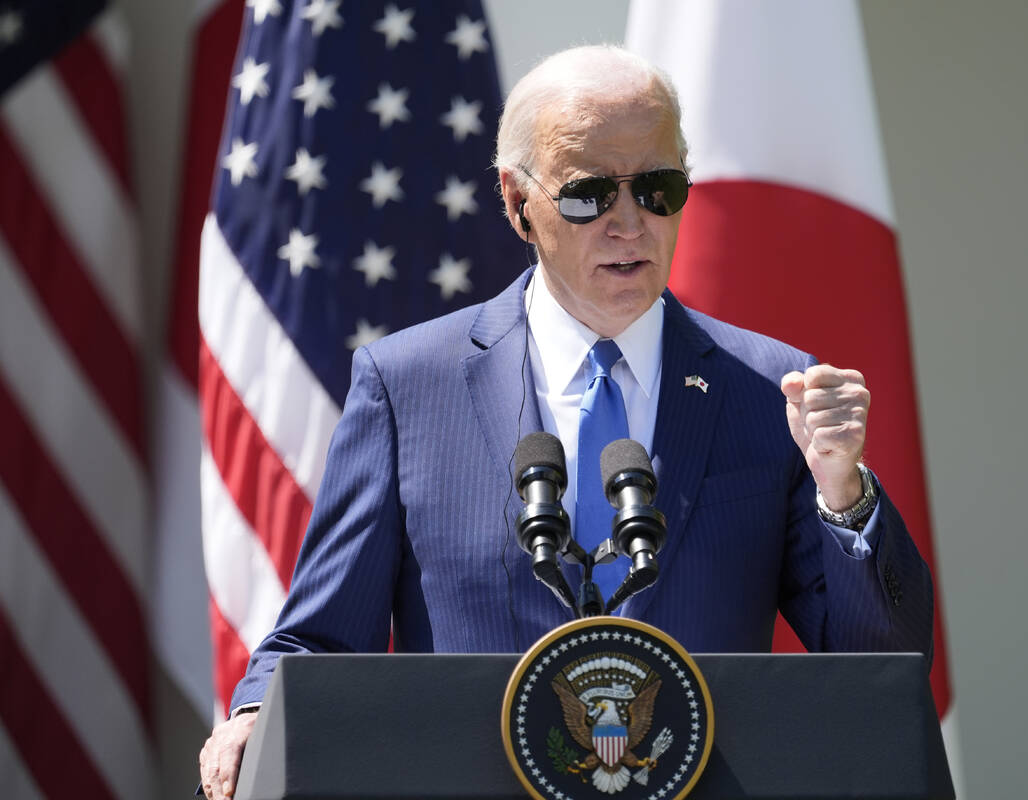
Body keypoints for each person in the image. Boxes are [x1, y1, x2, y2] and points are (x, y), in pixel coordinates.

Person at [199, 45, 933, 799]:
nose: (629, 224)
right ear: (518, 204)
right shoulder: (407, 386)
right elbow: (321, 636)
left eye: (656, 188)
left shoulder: (763, 389)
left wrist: (846, 495)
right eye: (588, 195)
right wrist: (255, 712)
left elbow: (880, 666)